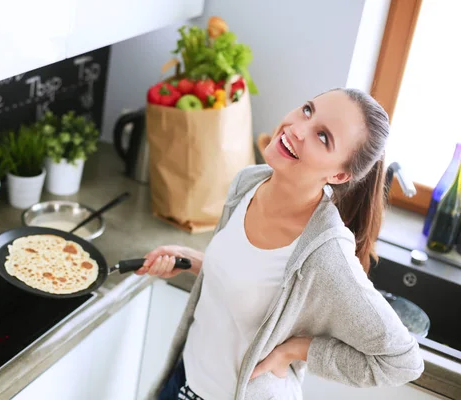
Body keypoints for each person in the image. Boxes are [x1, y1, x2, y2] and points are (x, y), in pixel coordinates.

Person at [137, 88, 425, 400]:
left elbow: (403, 362)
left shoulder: (325, 255)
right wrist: (191, 259)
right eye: (307, 110)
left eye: (323, 137)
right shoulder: (248, 183)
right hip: (182, 380)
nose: (297, 129)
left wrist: (298, 350)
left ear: (340, 175)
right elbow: (253, 284)